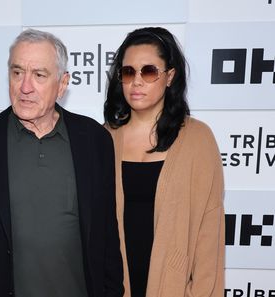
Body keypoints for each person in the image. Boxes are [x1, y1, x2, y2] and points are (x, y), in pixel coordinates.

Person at [0, 28, 124, 297]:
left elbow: (107, 234)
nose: (25, 87)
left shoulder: (95, 140)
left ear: (62, 84)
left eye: (39, 75)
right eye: (17, 73)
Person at [104, 27, 225, 297]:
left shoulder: (198, 139)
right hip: (113, 286)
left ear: (170, 76)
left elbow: (209, 234)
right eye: (128, 72)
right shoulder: (104, 138)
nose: (136, 82)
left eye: (148, 71)